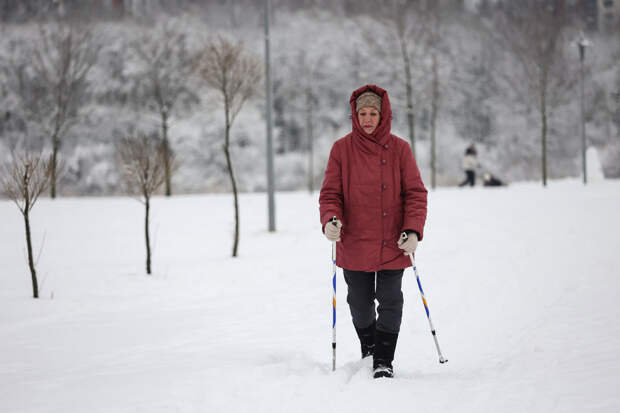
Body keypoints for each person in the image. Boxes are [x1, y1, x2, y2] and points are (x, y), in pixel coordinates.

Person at [319, 85, 428, 379]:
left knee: (391, 299)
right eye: (362, 113)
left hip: (394, 240)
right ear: (355, 116)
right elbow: (331, 194)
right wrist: (331, 219)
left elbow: (416, 193)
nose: (368, 119)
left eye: (373, 113)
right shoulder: (341, 149)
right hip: (354, 240)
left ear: (383, 115)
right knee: (359, 302)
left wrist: (412, 230)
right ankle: (369, 348)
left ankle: (383, 359)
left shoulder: (400, 149)